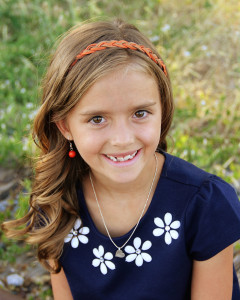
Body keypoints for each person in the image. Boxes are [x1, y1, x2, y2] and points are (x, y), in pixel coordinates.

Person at [2, 19, 240, 300]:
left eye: (140, 113)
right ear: (65, 126)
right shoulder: (58, 200)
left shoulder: (204, 203)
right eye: (97, 119)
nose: (122, 139)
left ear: (162, 108)